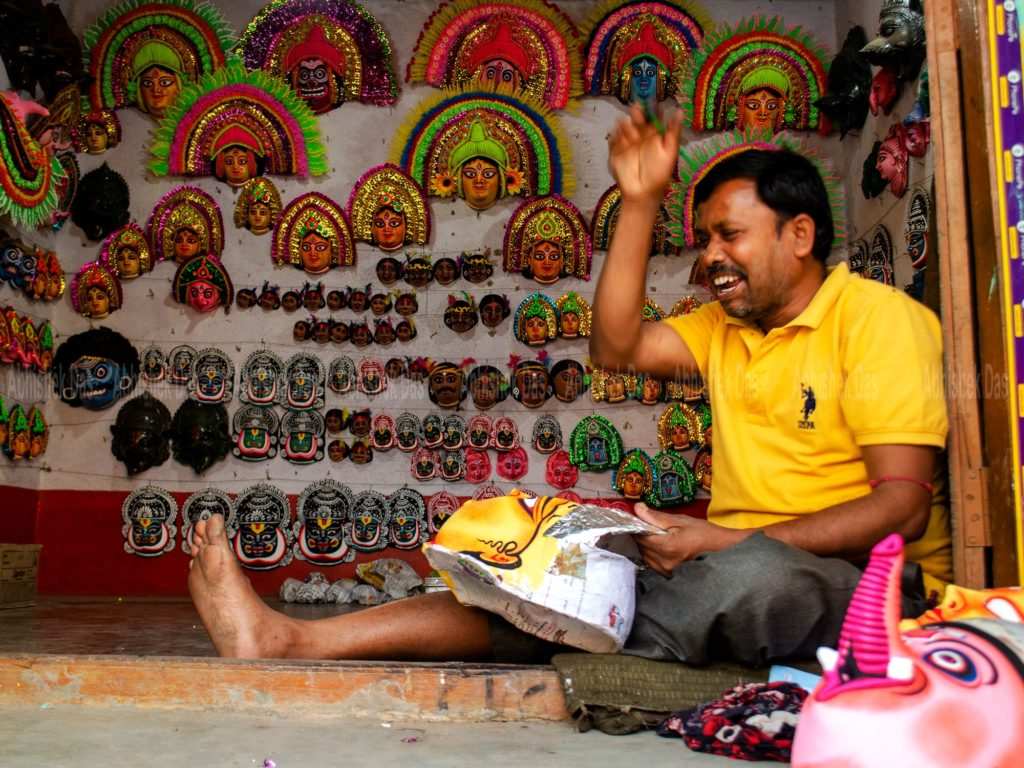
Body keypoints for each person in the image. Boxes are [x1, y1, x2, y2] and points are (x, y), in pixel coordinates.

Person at [188, 104, 949, 667]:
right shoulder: (725, 330)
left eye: (731, 235)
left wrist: (724, 541)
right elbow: (614, 345)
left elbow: (901, 509)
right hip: (720, 565)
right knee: (538, 575)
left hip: (869, 590)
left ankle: (609, 628)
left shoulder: (877, 321)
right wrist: (641, 201)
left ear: (801, 235)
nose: (711, 257)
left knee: (748, 580)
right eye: (707, 237)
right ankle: (290, 639)